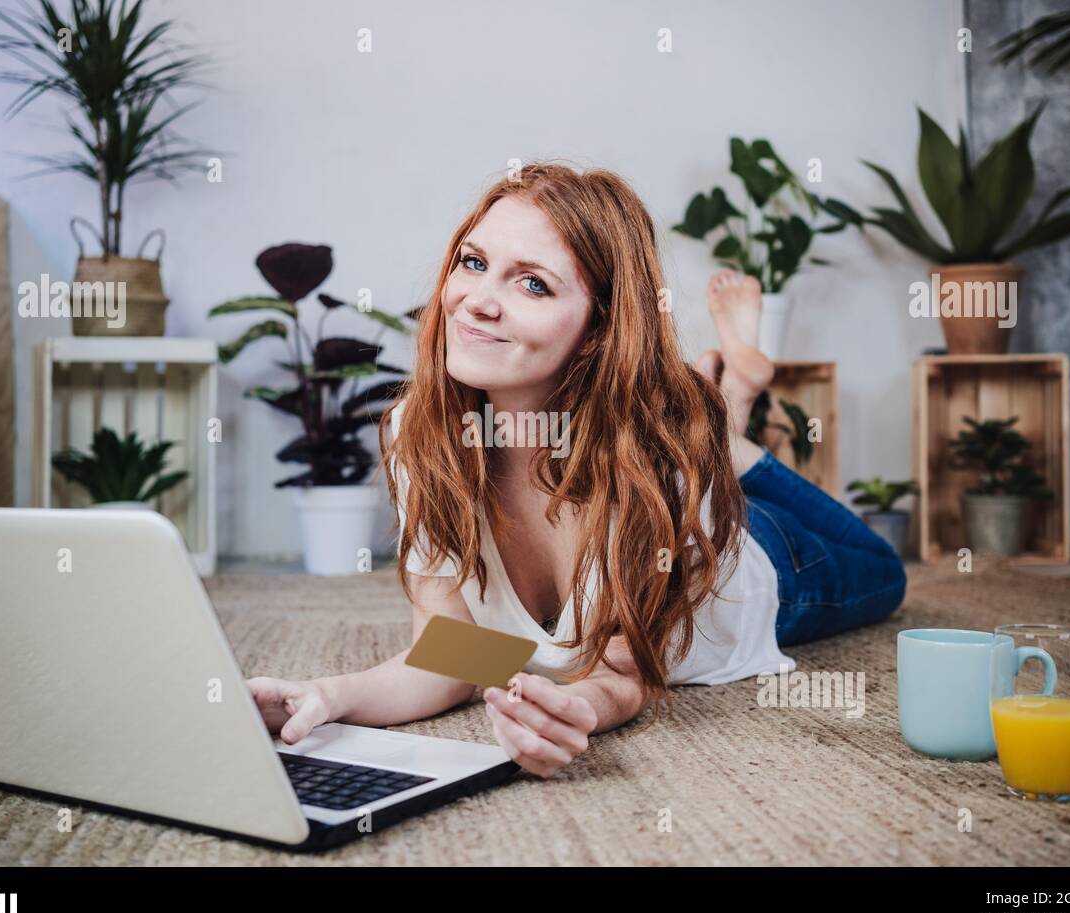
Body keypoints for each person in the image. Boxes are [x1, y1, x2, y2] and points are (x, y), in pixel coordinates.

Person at [248, 163, 905, 779]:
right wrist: (325, 696)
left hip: (755, 561)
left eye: (532, 283)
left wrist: (583, 706)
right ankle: (723, 424)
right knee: (699, 446)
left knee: (883, 567)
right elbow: (453, 657)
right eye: (474, 263)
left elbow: (629, 673)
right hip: (689, 476)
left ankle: (728, 432)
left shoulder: (652, 467)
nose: (476, 300)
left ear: (598, 329)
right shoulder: (419, 432)